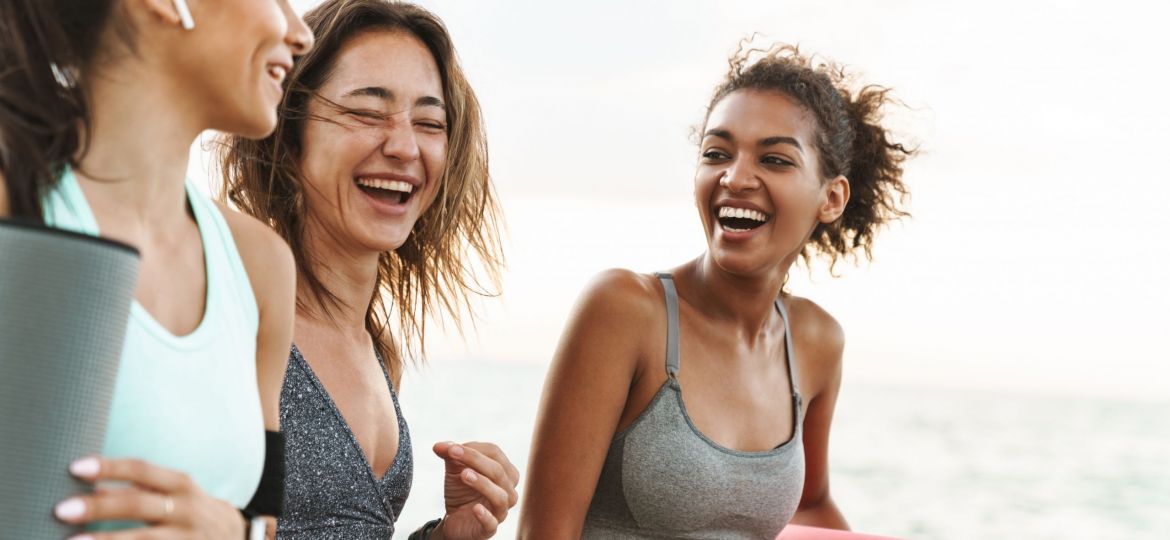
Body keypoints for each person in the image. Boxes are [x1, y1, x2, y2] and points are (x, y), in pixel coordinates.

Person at [519, 43, 913, 538]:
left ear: (831, 197)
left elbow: (810, 505)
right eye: (716, 154)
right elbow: (543, 533)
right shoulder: (626, 311)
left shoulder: (815, 342)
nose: (735, 176)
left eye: (774, 159)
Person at [0, 0, 312, 536]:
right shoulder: (15, 204)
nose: (299, 32)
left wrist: (237, 534)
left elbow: (264, 522)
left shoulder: (260, 266)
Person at [218, 1, 518, 538]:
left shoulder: (380, 351)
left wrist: (449, 533)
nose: (403, 146)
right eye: (366, 112)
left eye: (429, 122)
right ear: (289, 136)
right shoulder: (231, 310)